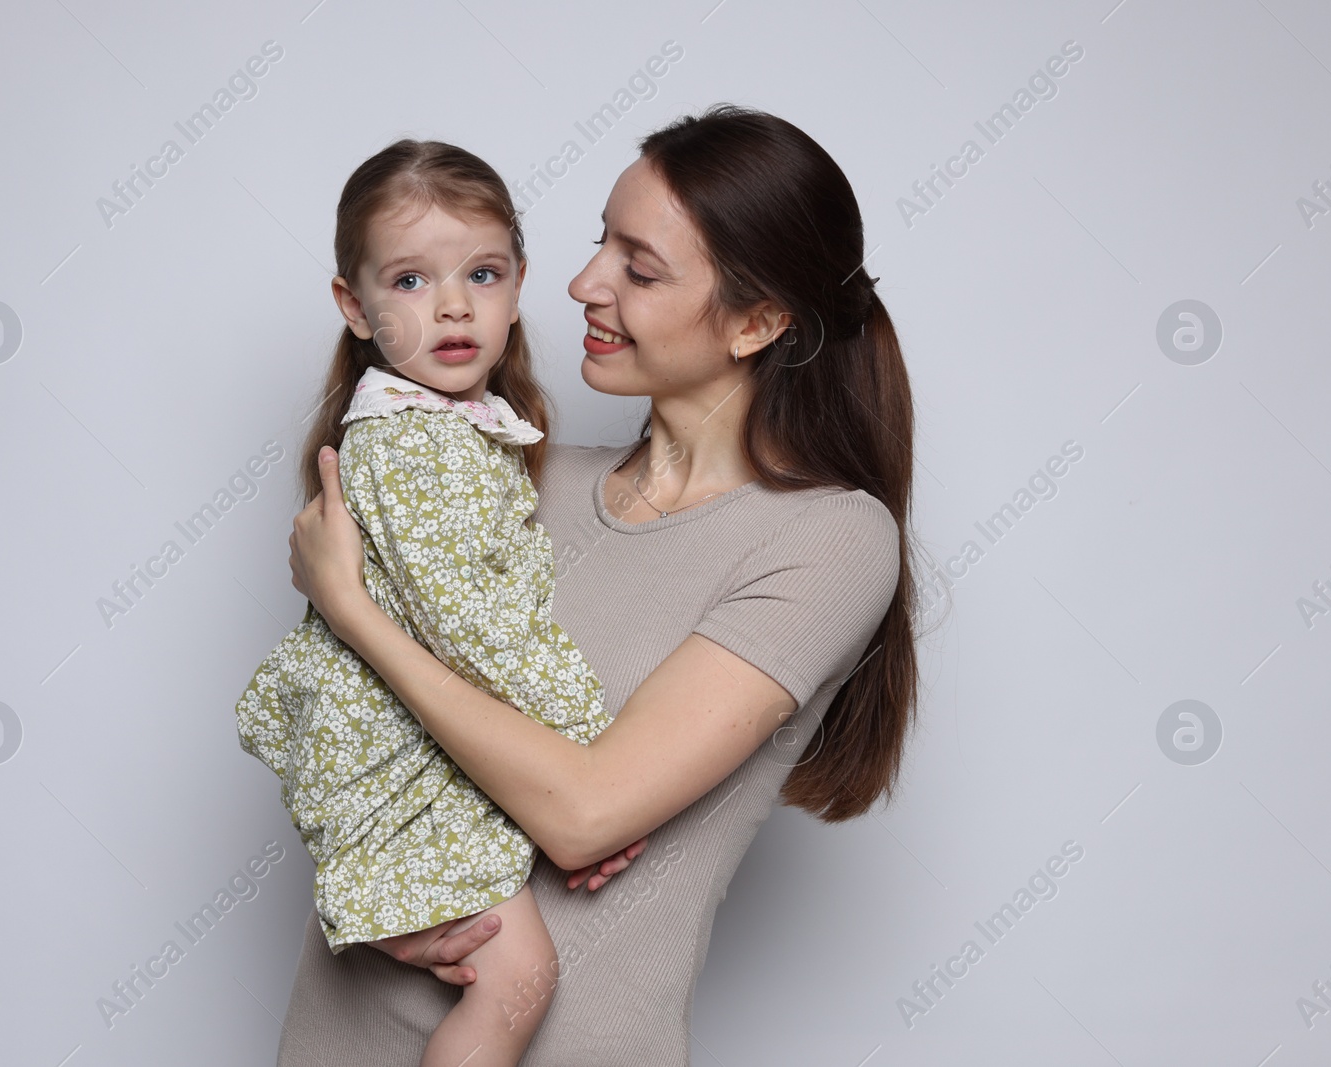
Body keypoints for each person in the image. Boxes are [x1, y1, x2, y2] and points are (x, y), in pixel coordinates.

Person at [277, 104, 919, 1066]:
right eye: (597, 247)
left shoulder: (826, 540)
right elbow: (347, 726)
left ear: (758, 322)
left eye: (639, 267)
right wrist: (373, 905)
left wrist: (356, 611)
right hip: (342, 1035)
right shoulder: (513, 475)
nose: (582, 285)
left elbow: (581, 817)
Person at [235, 139, 639, 1067]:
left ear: (519, 283)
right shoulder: (416, 448)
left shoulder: (462, 433)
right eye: (412, 280)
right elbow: (478, 633)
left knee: (510, 972)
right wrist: (596, 759)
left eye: (483, 273)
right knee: (519, 975)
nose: (454, 305)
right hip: (401, 766)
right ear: (356, 306)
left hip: (417, 752)